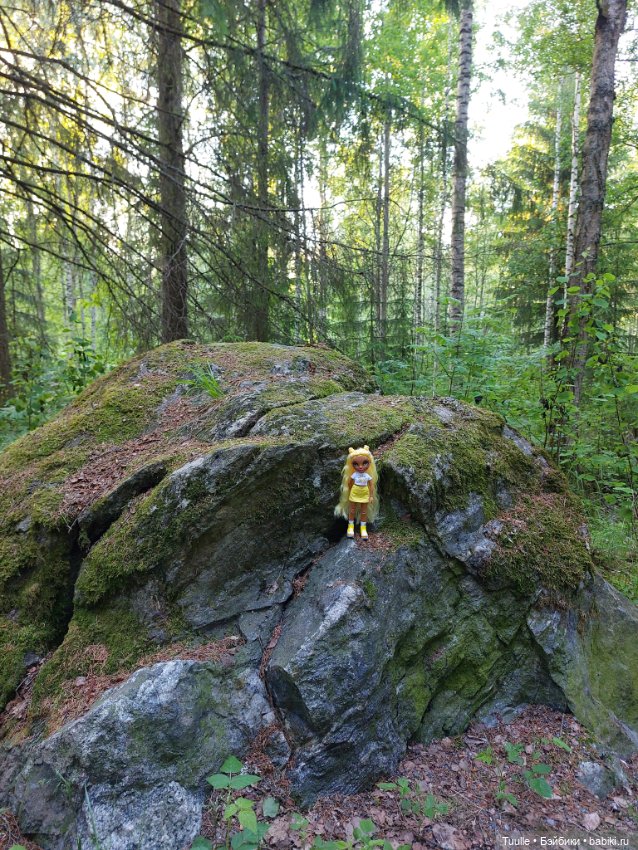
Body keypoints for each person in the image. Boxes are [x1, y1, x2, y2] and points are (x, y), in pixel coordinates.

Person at [334, 445, 378, 540]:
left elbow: (371, 486)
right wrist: (350, 491)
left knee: (364, 511)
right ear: (352, 465)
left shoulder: (367, 476)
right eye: (356, 464)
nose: (360, 466)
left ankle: (363, 527)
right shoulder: (354, 475)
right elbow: (349, 483)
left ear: (370, 463)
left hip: (365, 493)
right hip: (354, 493)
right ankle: (350, 526)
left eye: (365, 463)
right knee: (352, 510)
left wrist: (371, 496)